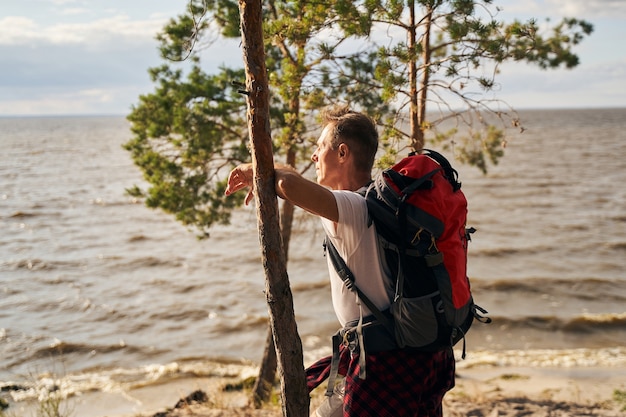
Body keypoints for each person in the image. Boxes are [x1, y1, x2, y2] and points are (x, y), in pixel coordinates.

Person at [225, 106, 455, 417]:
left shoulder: (353, 207)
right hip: (413, 355)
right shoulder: (372, 205)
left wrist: (256, 171)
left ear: (343, 153)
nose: (314, 157)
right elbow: (293, 179)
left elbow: (289, 186)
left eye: (320, 148)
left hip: (382, 363)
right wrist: (256, 168)